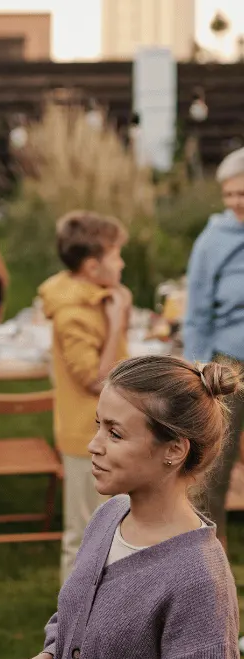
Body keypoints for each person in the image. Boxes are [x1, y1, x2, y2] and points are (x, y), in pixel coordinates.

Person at [0, 355, 244, 659]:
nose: (93, 445)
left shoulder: (197, 579)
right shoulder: (109, 517)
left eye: (115, 433)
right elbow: (81, 619)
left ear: (174, 449)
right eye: (98, 426)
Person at [38, 210, 130, 584]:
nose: (122, 262)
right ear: (93, 266)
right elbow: (97, 379)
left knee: (112, 528)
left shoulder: (98, 298)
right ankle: (69, 630)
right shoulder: (73, 313)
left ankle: (108, 614)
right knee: (84, 535)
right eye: (116, 255)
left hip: (108, 429)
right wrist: (117, 321)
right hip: (85, 436)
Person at [183, 146, 244, 549]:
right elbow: (197, 310)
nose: (237, 202)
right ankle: (204, 555)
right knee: (213, 466)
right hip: (229, 362)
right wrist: (200, 366)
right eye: (230, 195)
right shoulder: (213, 240)